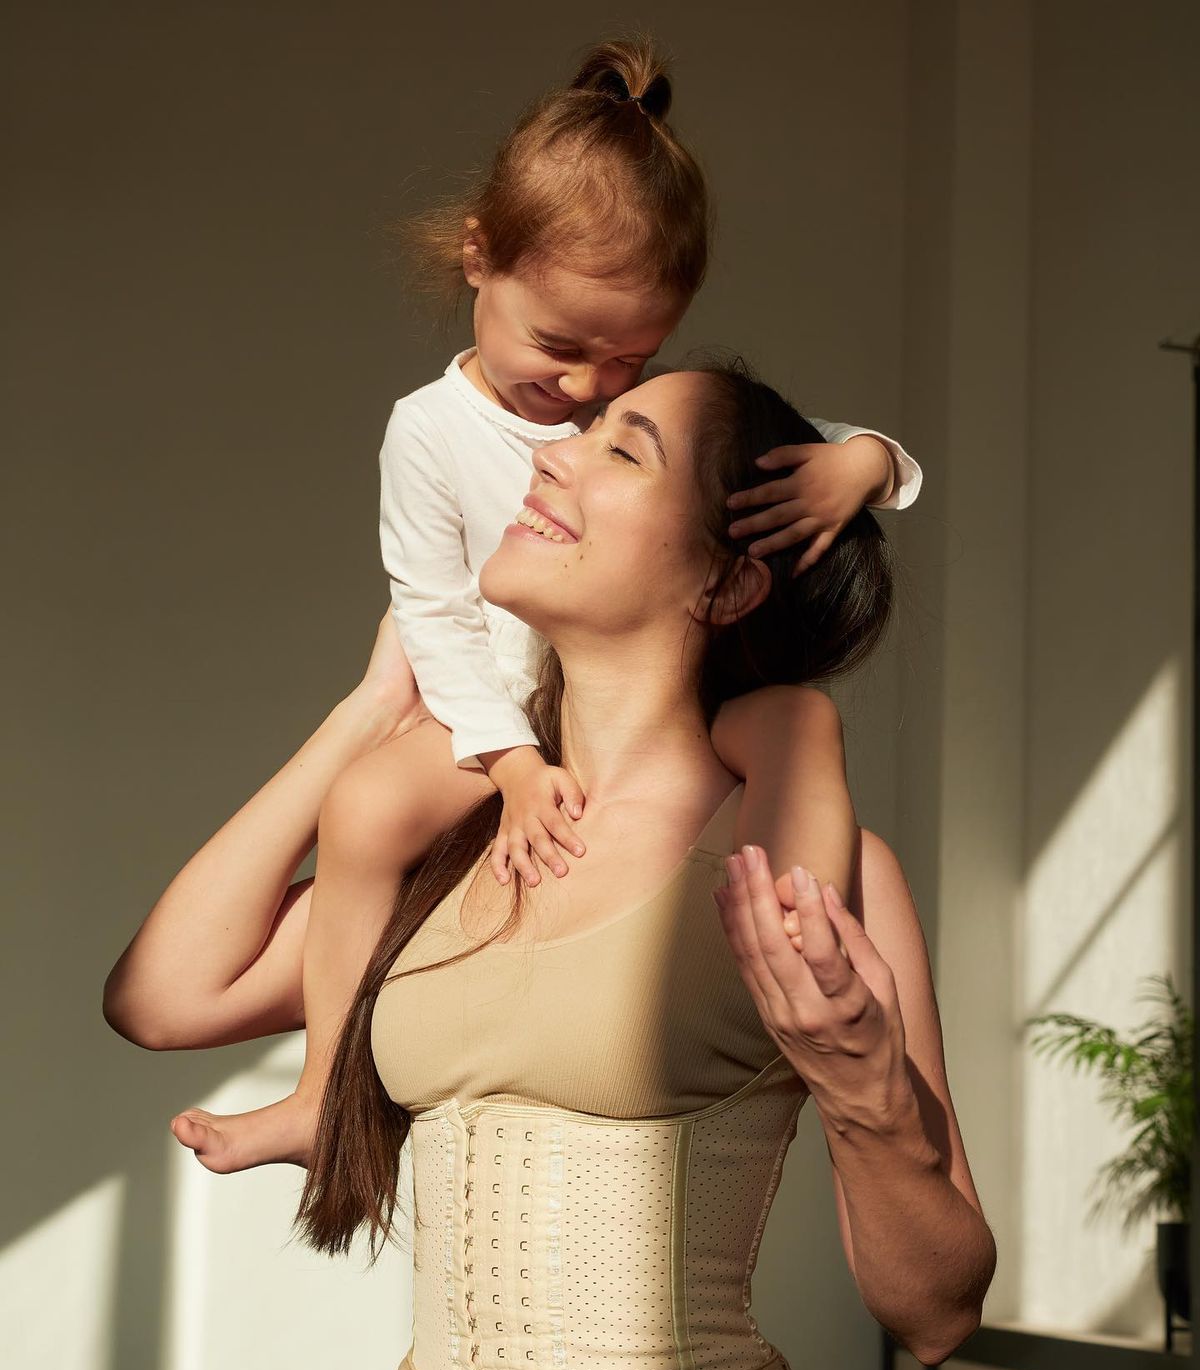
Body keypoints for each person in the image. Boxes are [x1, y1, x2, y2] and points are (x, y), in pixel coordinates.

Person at [106, 362, 992, 1370]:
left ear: (726, 584)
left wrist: (868, 1098)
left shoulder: (812, 875)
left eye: (623, 450)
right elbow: (162, 997)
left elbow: (937, 1315)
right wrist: (372, 710)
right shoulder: (459, 842)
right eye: (580, 433)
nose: (552, 454)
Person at [146, 36, 922, 1178]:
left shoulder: (628, 418)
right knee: (364, 806)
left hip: (616, 746)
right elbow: (431, 610)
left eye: (629, 370)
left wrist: (868, 462)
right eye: (560, 350)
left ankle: (775, 957)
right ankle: (322, 1093)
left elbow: (769, 450)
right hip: (489, 724)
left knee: (787, 719)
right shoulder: (432, 432)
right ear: (478, 258)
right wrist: (481, 751)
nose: (583, 399)